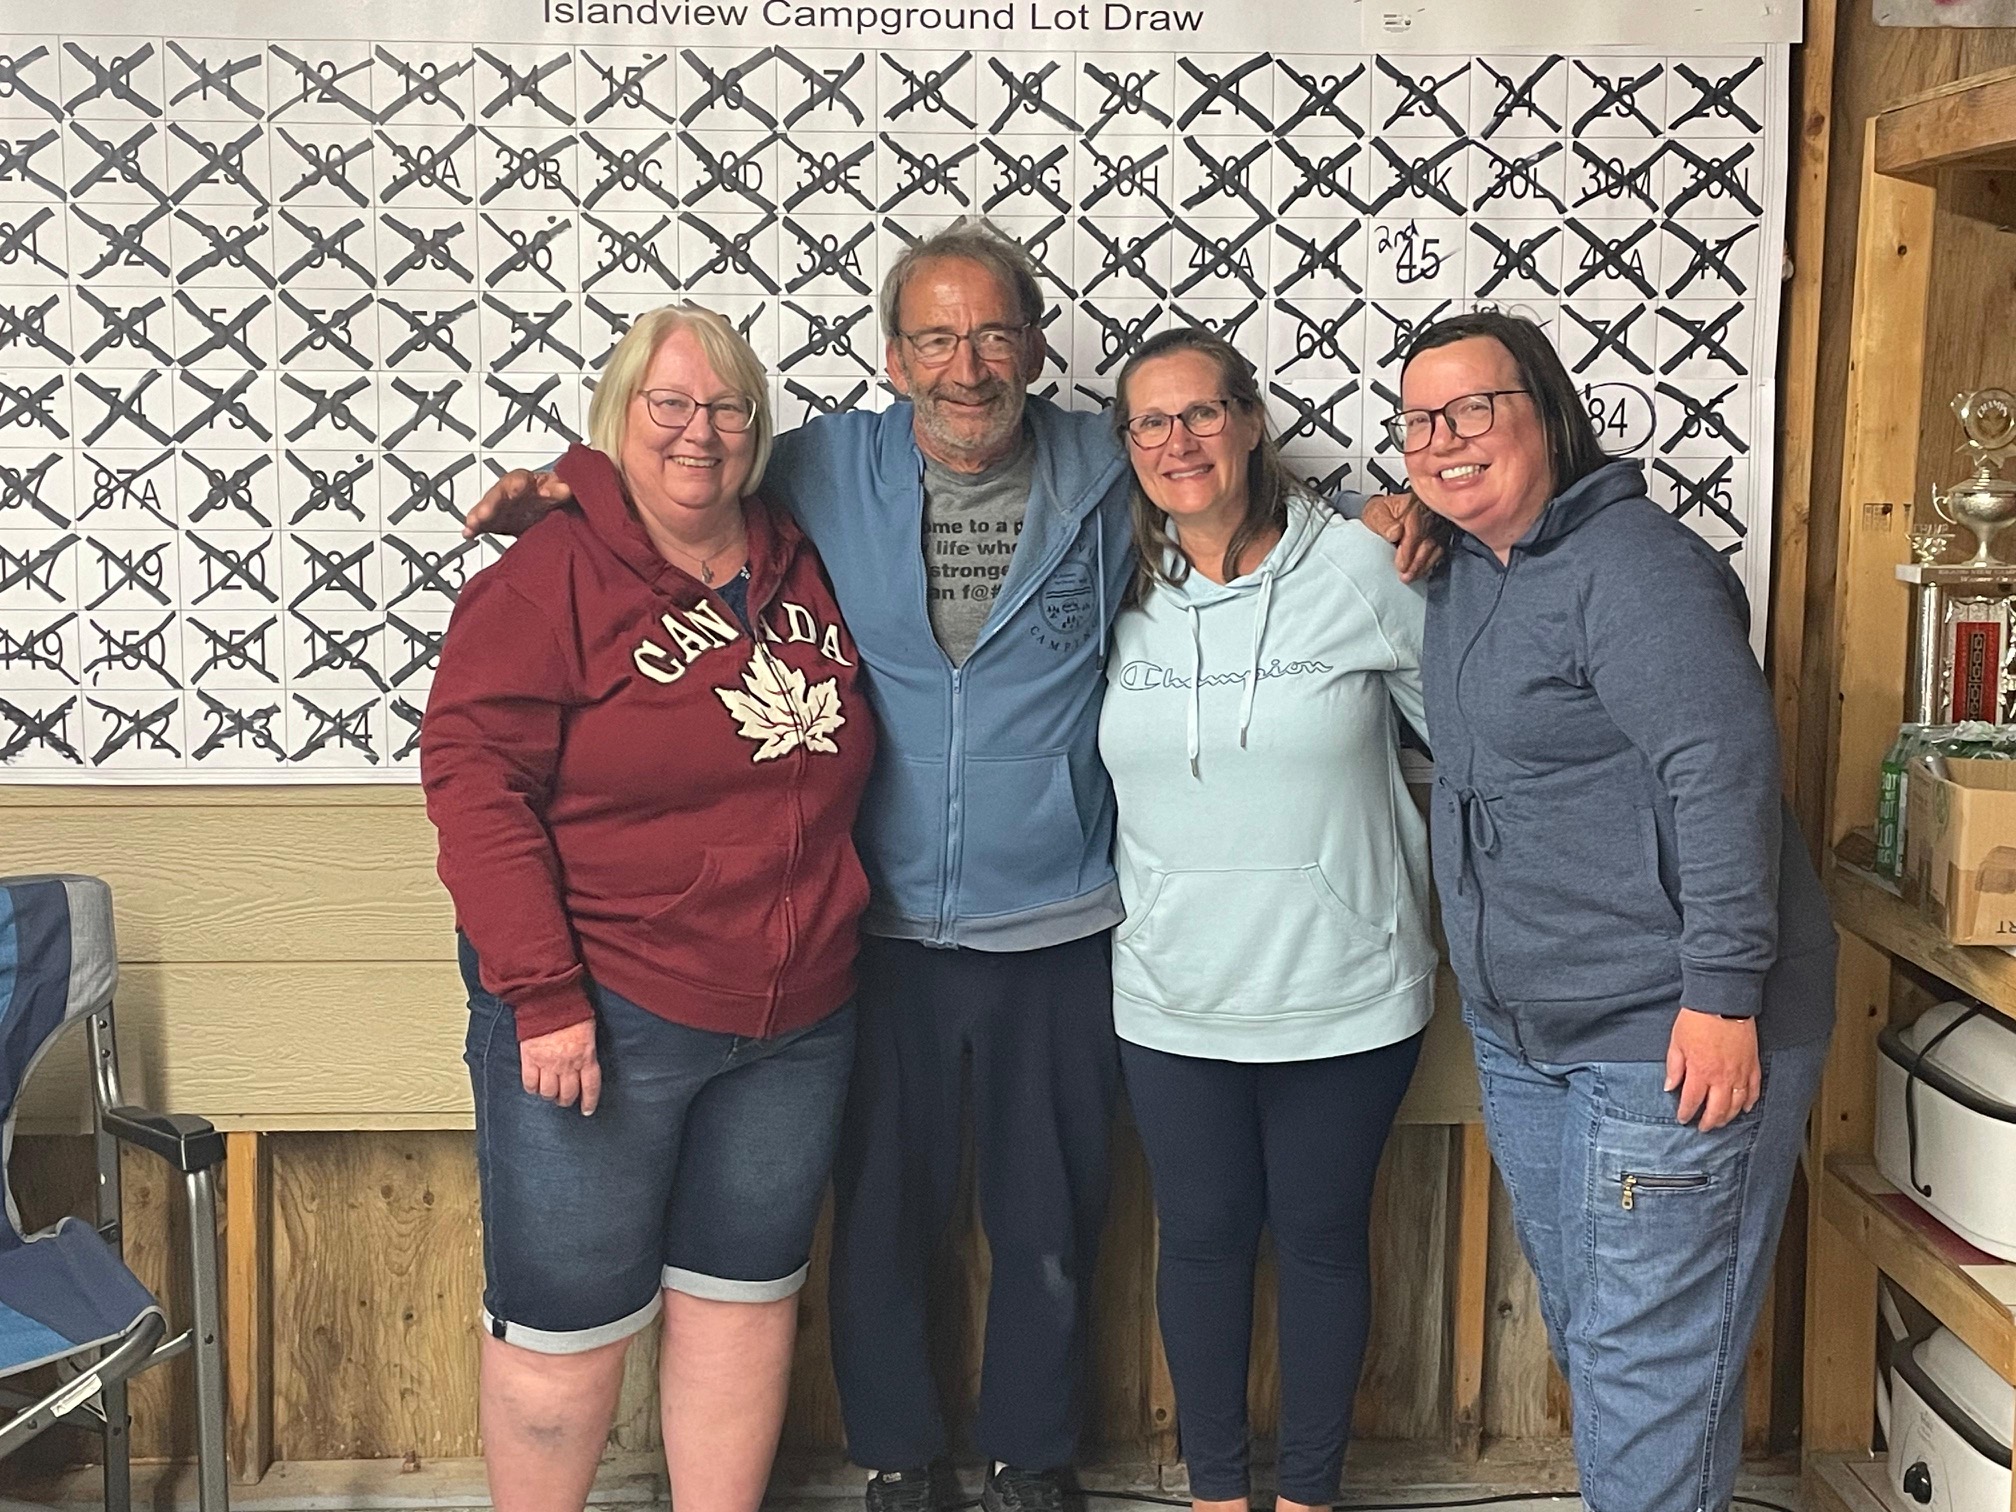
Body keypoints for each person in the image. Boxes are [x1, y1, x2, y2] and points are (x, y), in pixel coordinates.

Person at [465, 220, 1131, 1512]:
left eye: (994, 334)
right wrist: (571, 486)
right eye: (935, 337)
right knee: (866, 1225)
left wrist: (1385, 516)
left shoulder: (1107, 466)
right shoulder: (824, 468)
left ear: (1037, 348)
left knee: (1021, 1224)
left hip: (988, 933)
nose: (966, 365)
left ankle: (1033, 1463)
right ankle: (899, 1464)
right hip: (836, 941)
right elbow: (669, 478)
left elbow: (1226, 480)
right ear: (892, 357)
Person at [420, 304, 875, 1512]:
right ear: (617, 418)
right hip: (605, 1016)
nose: (698, 432)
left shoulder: (805, 556)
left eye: (726, 408)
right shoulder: (547, 580)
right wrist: (543, 995)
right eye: (668, 404)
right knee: (562, 1332)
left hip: (798, 1020)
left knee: (743, 1303)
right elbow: (474, 787)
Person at [1388, 309, 1835, 1512]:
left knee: (1649, 1371)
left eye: (1474, 408)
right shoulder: (1471, 562)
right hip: (1532, 1032)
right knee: (1606, 1342)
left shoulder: (1633, 568)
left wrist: (1724, 997)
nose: (1444, 439)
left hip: (1670, 1030)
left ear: (1548, 414)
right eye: (1420, 421)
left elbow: (1723, 770)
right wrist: (1409, 516)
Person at [1099, 327, 1433, 1512]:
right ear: (1127, 445)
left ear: (1249, 422)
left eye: (1202, 412)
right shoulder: (1109, 585)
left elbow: (1478, 734)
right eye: (1151, 422)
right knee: (1198, 1245)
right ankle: (1214, 1495)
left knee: (1324, 1243)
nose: (1179, 441)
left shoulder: (1363, 566)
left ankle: (1306, 1497)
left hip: (1346, 991)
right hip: (1172, 993)